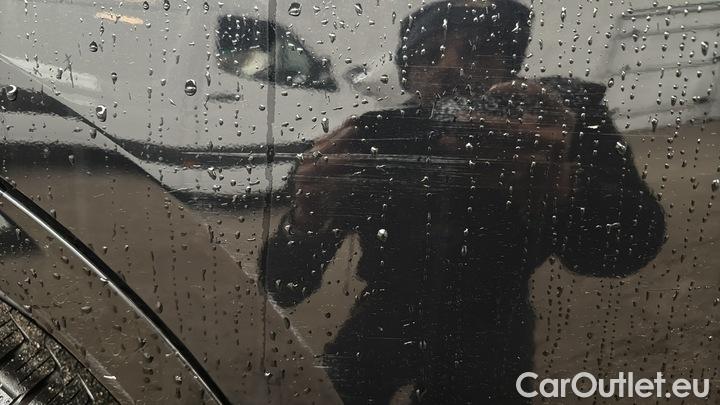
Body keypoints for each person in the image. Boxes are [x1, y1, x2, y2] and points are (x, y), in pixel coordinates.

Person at [260, 1, 666, 403]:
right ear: (408, 76)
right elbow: (282, 286)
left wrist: (563, 186)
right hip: (386, 318)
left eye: (477, 49)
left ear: (509, 67)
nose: (448, 66)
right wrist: (307, 217)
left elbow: (626, 250)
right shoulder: (379, 138)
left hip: (492, 324)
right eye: (426, 55)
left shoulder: (552, 129)